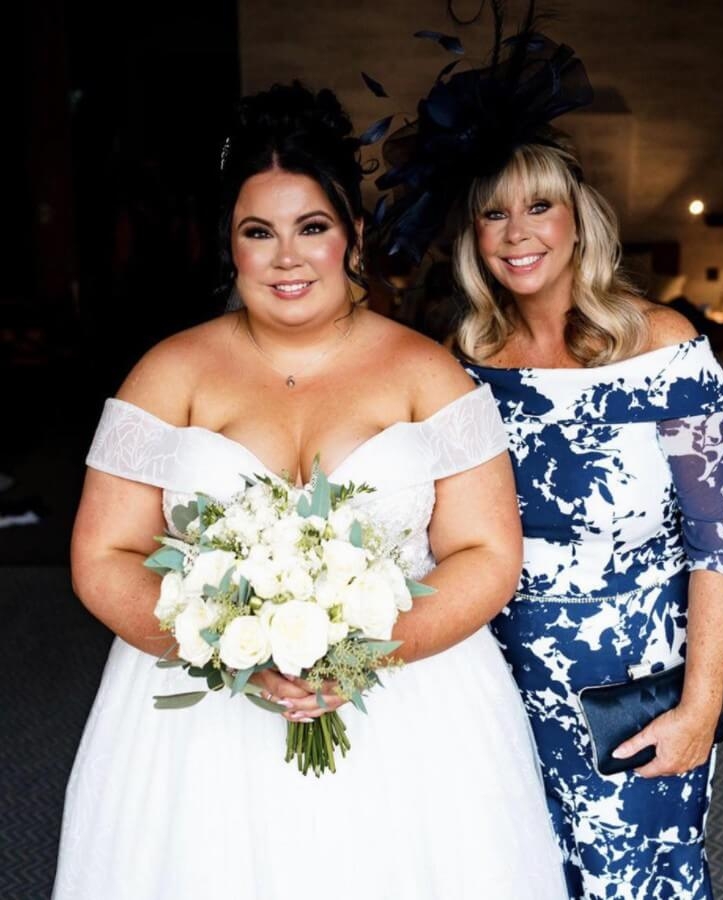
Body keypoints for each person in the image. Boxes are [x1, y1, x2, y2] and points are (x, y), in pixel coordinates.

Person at [52, 82, 567, 899]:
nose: (286, 257)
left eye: (312, 228)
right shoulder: (168, 372)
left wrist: (370, 650)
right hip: (201, 719)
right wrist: (225, 649)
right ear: (232, 246)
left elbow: (489, 551)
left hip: (414, 703)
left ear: (352, 239)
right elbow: (102, 554)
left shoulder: (426, 373)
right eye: (259, 232)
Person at [376, 10, 723, 898]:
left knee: (637, 881)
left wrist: (700, 708)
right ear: (471, 237)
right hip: (498, 678)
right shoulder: (461, 364)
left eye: (539, 205)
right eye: (493, 214)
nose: (517, 232)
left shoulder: (663, 347)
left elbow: (722, 545)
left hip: (636, 684)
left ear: (580, 217)